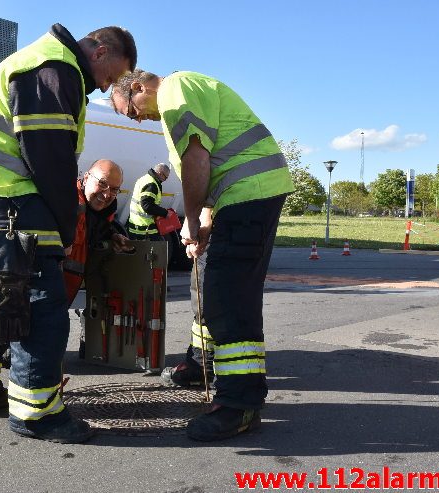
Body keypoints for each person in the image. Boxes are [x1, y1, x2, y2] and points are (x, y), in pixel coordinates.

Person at [0, 23, 137, 444]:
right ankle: (37, 414)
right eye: (109, 78)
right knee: (41, 310)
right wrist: (67, 227)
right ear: (100, 50)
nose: (105, 89)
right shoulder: (57, 69)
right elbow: (50, 160)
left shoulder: (39, 60)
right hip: (10, 201)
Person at [110, 69, 293, 441]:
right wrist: (205, 224)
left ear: (137, 87)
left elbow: (198, 161)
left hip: (249, 194)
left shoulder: (176, 90)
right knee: (210, 287)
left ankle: (240, 404)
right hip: (242, 196)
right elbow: (208, 172)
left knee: (229, 299)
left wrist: (190, 221)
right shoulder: (179, 100)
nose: (135, 118)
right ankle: (202, 363)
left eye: (129, 110)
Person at [63, 159, 132, 305]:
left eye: (114, 189)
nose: (107, 194)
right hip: (48, 294)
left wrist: (112, 235)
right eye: (102, 183)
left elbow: (96, 229)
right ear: (86, 178)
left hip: (65, 295)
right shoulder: (67, 203)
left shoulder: (104, 211)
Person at [127, 163, 171, 241]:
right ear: (160, 173)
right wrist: (165, 213)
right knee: (160, 250)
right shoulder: (152, 184)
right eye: (165, 177)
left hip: (135, 225)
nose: (165, 180)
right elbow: (147, 206)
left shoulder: (144, 178)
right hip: (144, 229)